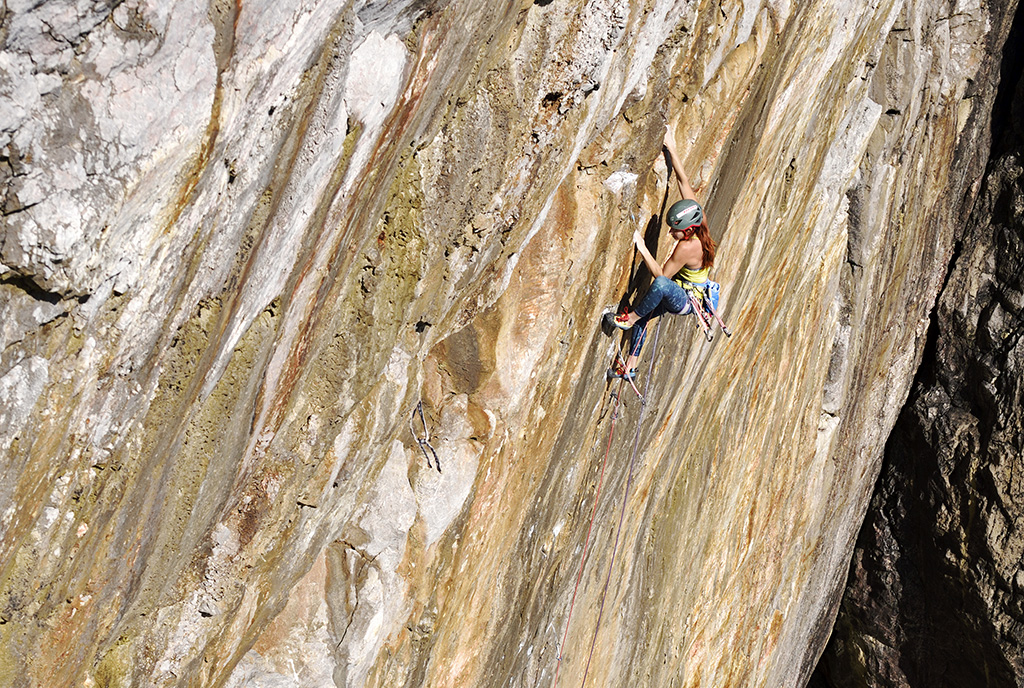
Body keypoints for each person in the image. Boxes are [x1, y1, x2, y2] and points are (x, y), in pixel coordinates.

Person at [608, 126, 717, 378]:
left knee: (656, 292)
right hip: (687, 290)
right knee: (648, 308)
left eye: (675, 231)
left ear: (687, 232)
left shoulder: (687, 247)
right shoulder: (697, 219)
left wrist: (642, 247)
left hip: (685, 302)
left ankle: (630, 319)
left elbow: (661, 278)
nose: (670, 234)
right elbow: (683, 181)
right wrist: (671, 147)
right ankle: (630, 367)